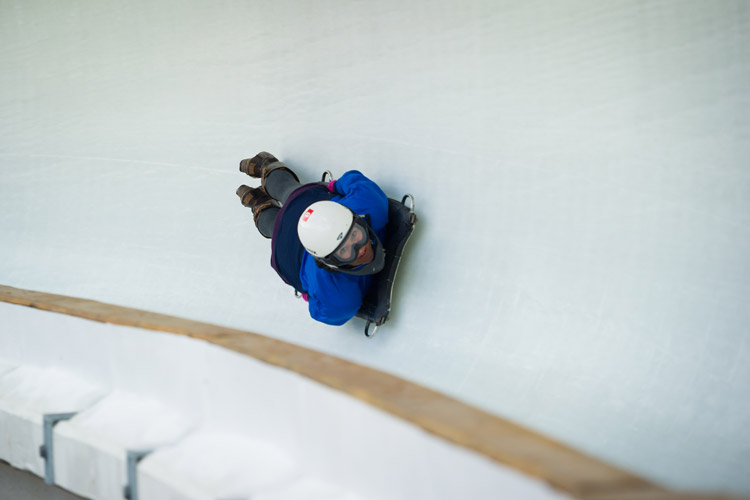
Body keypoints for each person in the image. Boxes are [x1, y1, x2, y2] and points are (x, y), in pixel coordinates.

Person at [236, 152, 389, 326]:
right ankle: (260, 199)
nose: (360, 249)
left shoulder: (371, 205)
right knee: (280, 218)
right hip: (289, 250)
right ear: (332, 263)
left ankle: (259, 201)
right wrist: (333, 186)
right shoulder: (338, 299)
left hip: (310, 209)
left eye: (355, 234)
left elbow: (356, 182)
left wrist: (309, 294)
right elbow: (321, 311)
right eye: (345, 251)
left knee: (287, 199)